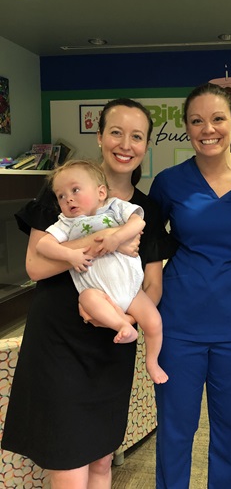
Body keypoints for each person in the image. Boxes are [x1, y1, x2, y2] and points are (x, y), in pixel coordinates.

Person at [2, 98, 176, 488]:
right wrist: (104, 239)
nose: (125, 144)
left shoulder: (144, 210)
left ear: (146, 145)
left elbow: (152, 285)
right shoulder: (65, 191)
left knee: (100, 460)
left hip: (112, 343)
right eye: (116, 132)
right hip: (58, 342)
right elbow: (35, 265)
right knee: (67, 460)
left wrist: (120, 319)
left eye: (137, 136)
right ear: (99, 137)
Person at [149, 82, 231, 488]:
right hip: (178, 325)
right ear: (187, 127)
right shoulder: (169, 182)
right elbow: (146, 243)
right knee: (176, 432)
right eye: (196, 121)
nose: (207, 128)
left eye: (217, 118)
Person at [36, 159, 168, 383]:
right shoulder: (66, 222)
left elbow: (138, 222)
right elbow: (43, 246)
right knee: (87, 298)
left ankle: (152, 362)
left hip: (131, 290)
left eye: (75, 190)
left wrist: (115, 237)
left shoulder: (114, 207)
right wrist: (70, 255)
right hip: (97, 292)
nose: (68, 198)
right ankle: (122, 326)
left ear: (100, 192)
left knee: (154, 322)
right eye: (61, 195)